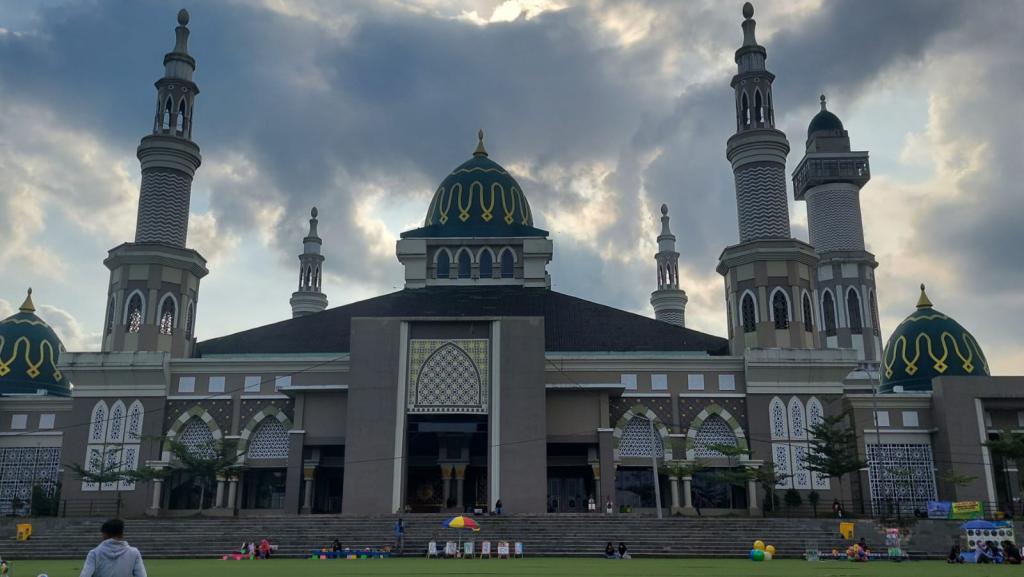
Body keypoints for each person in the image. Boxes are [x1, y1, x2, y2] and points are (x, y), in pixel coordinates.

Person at [79, 519, 148, 577]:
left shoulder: (94, 553)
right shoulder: (134, 553)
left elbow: (85, 575)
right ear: (122, 533)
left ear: (104, 534)